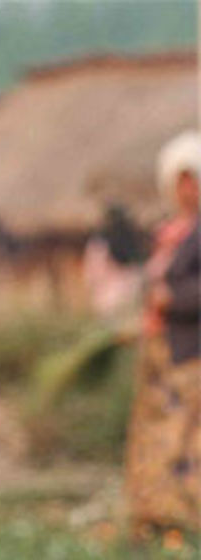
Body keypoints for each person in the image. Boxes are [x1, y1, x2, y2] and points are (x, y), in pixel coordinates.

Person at [125, 130, 201, 537]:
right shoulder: (169, 232)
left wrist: (175, 297)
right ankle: (155, 514)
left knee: (188, 436)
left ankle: (187, 519)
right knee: (153, 432)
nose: (187, 190)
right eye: (181, 181)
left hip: (192, 350)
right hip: (160, 347)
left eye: (193, 180)